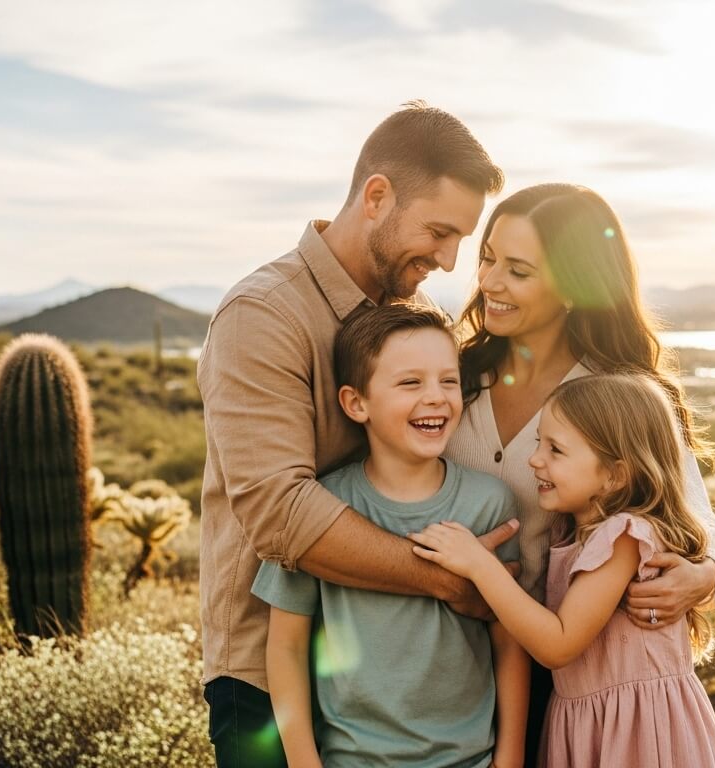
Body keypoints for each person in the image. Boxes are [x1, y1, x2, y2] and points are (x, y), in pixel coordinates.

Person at [196, 101, 514, 767]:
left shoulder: (418, 318)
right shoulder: (263, 315)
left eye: (462, 238)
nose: (451, 260)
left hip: (405, 685)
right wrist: (449, 581)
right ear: (376, 197)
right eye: (438, 231)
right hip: (270, 671)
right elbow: (280, 514)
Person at [440, 183, 715, 760]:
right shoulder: (451, 378)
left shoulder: (618, 399)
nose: (489, 282)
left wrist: (700, 578)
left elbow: (710, 537)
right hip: (455, 660)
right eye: (488, 259)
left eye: (518, 270)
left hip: (576, 679)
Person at [254, 303, 528, 767]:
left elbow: (509, 641)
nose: (437, 397)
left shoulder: (490, 503)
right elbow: (286, 646)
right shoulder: (323, 507)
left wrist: (510, 758)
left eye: (447, 380)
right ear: (355, 403)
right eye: (410, 382)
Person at [411, 373, 715, 767]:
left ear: (615, 474)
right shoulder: (571, 532)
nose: (535, 460)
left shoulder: (623, 538)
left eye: (556, 450)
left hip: (636, 735)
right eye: (537, 443)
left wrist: (479, 565)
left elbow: (558, 645)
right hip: (590, 724)